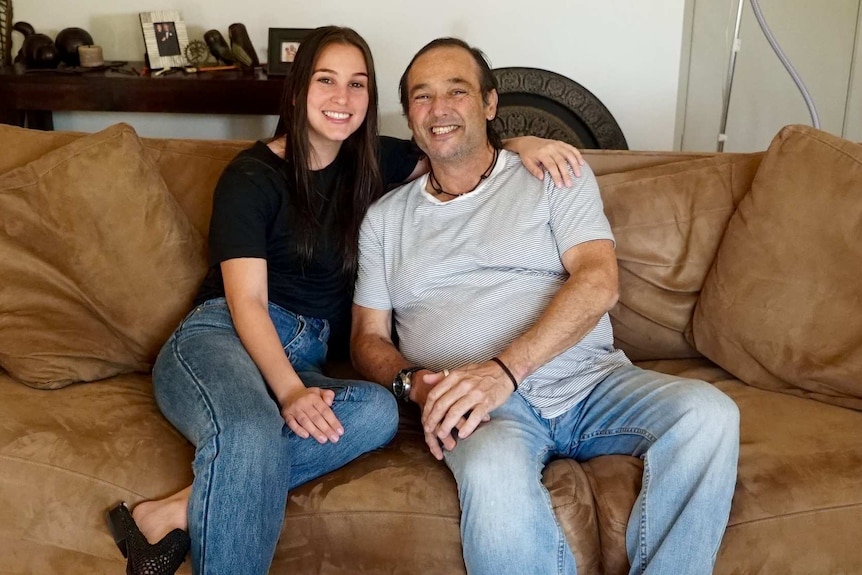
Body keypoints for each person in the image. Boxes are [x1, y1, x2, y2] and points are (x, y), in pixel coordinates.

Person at [105, 26, 586, 575]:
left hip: (304, 356)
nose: (342, 97)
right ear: (296, 92)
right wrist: (290, 393)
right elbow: (246, 305)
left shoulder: (375, 160)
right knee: (249, 431)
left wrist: (524, 145)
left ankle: (167, 513)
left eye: (357, 84)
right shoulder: (251, 176)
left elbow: (460, 146)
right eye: (325, 80)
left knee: (378, 411)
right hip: (219, 341)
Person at [351, 37, 740, 575]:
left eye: (456, 91)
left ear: (489, 105)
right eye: (422, 97)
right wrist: (418, 385)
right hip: (475, 404)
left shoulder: (553, 173)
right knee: (489, 469)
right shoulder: (385, 219)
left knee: (709, 413)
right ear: (410, 116)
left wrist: (505, 370)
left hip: (590, 382)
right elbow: (367, 338)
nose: (439, 109)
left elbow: (600, 281)